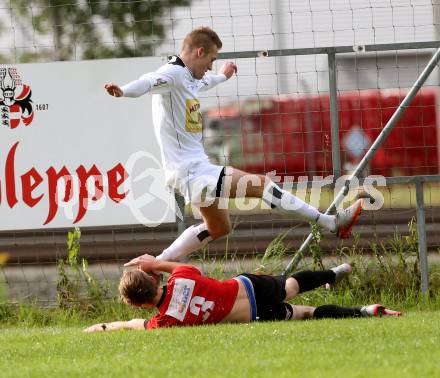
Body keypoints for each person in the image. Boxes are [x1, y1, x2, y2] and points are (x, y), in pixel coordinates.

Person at [104, 26, 364, 263]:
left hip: (192, 170)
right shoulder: (172, 73)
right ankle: (331, 222)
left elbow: (205, 82)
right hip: (192, 170)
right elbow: (149, 81)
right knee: (262, 185)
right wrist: (124, 91)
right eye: (211, 59)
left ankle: (154, 263)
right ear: (199, 51)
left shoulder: (188, 75)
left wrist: (223, 76)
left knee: (219, 228)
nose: (210, 66)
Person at [84, 255, 401, 332]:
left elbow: (134, 324)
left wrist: (104, 327)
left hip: (254, 313)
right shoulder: (180, 276)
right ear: (153, 279)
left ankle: (364, 311)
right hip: (248, 286)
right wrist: (157, 262)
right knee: (291, 284)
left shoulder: (167, 321)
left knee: (305, 312)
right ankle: (334, 272)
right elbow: (179, 266)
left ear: (139, 301)